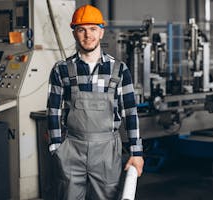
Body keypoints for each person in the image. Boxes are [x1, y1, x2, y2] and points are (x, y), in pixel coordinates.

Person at [47, 4, 144, 200]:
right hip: (71, 149)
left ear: (101, 32)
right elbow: (53, 111)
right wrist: (56, 148)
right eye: (81, 29)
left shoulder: (119, 70)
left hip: (107, 150)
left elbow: (130, 113)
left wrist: (136, 152)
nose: (87, 35)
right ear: (74, 33)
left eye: (93, 29)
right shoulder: (61, 70)